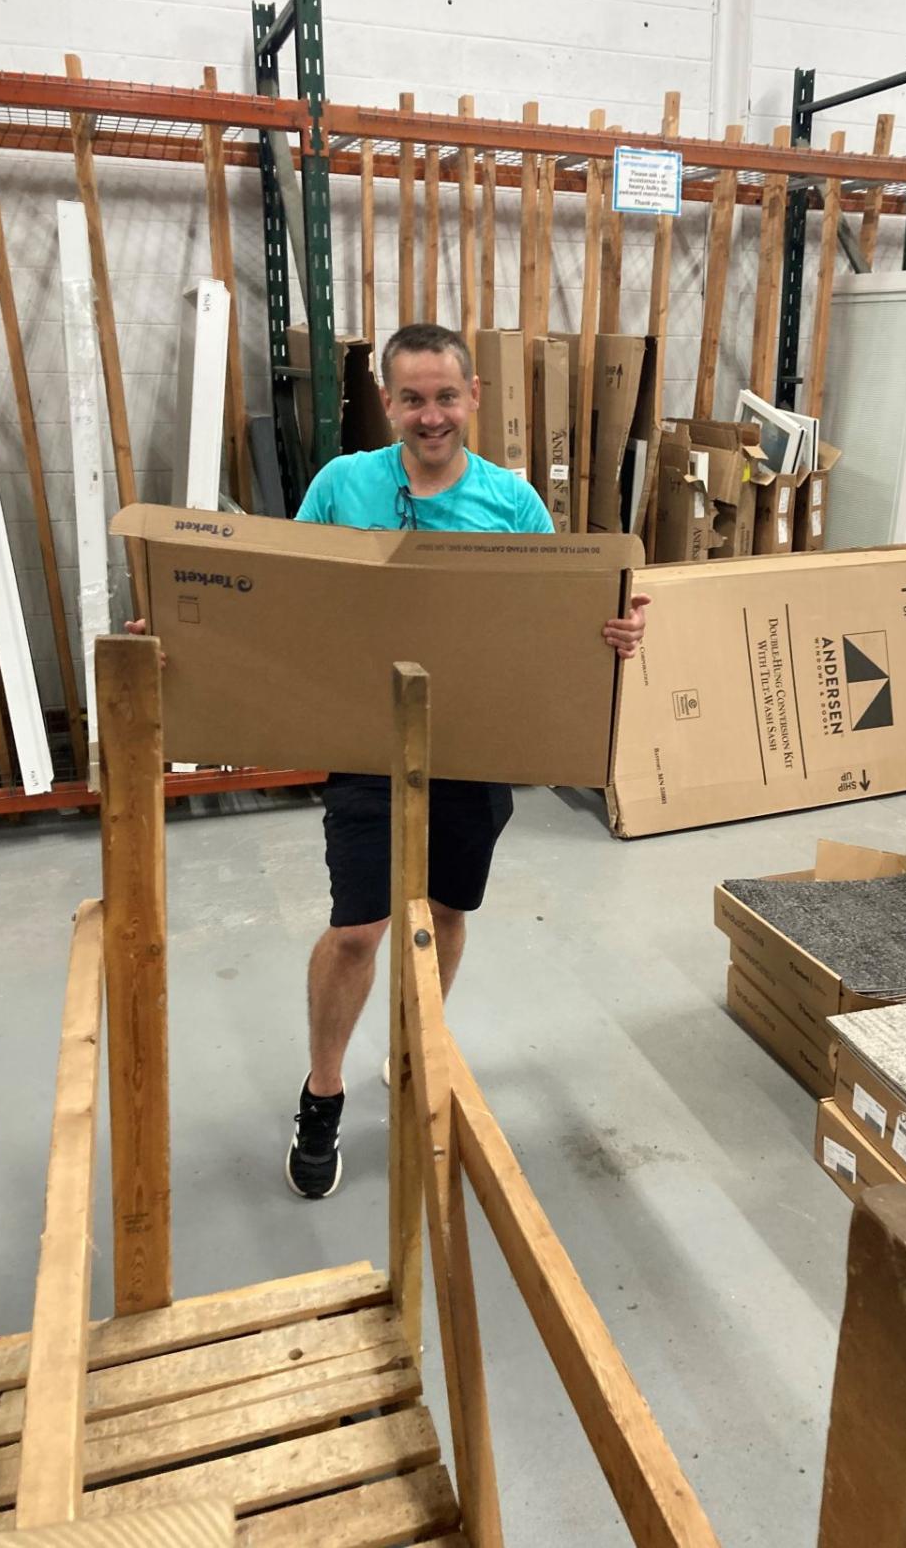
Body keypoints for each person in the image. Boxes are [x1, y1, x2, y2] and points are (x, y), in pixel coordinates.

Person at [284, 322, 650, 1200]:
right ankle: (322, 1092)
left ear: (474, 397)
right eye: (411, 397)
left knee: (447, 911)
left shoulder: (513, 506)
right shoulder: (342, 485)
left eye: (446, 395)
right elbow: (283, 590)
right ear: (387, 402)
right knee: (357, 929)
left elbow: (555, 629)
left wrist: (615, 630)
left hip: (474, 741)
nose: (430, 414)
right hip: (367, 737)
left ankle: (417, 1048)